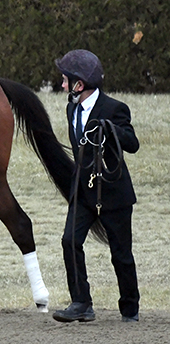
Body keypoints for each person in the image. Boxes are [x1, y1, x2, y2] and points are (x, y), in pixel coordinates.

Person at [53, 49, 140, 323]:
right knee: (70, 241)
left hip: (114, 194)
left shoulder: (114, 109)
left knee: (121, 254)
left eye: (66, 80)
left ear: (79, 84)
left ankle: (130, 309)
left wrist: (110, 129)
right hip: (83, 193)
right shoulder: (71, 108)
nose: (63, 85)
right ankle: (81, 302)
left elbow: (133, 144)